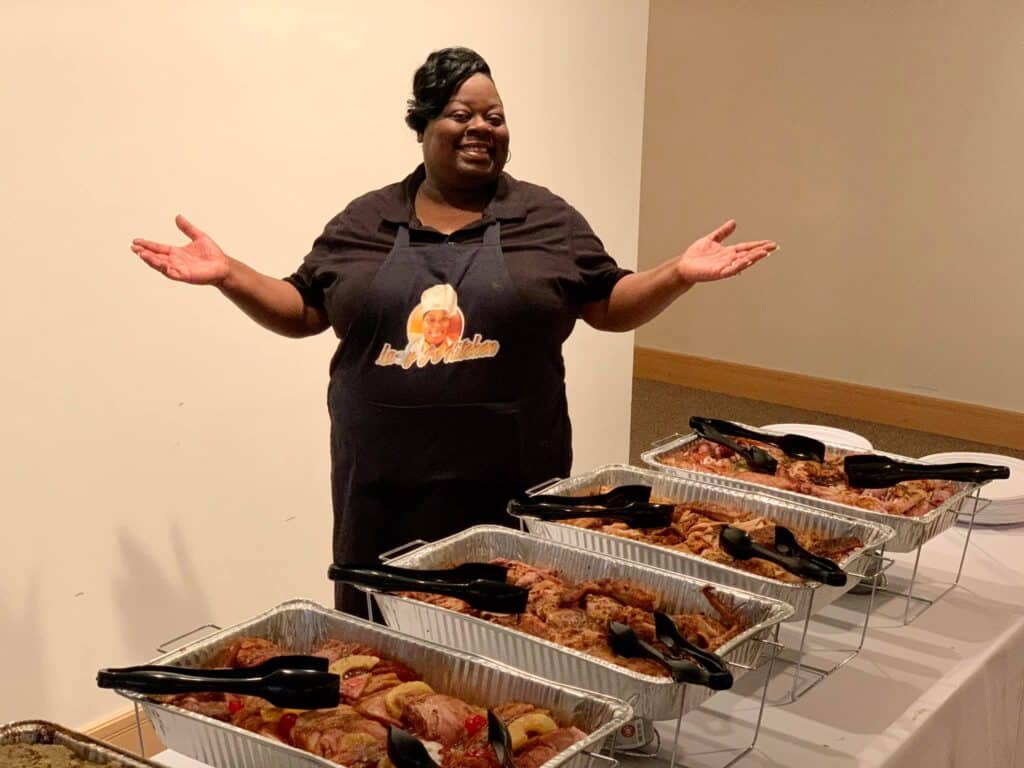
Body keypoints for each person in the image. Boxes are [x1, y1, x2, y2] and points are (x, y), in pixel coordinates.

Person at [131, 47, 776, 615]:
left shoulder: (544, 218)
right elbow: (303, 309)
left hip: (514, 483)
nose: (480, 129)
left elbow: (607, 302)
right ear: (422, 126)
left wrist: (677, 273)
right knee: (385, 642)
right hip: (382, 491)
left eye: (494, 117)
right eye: (460, 114)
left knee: (520, 625)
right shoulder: (366, 220)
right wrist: (228, 274)